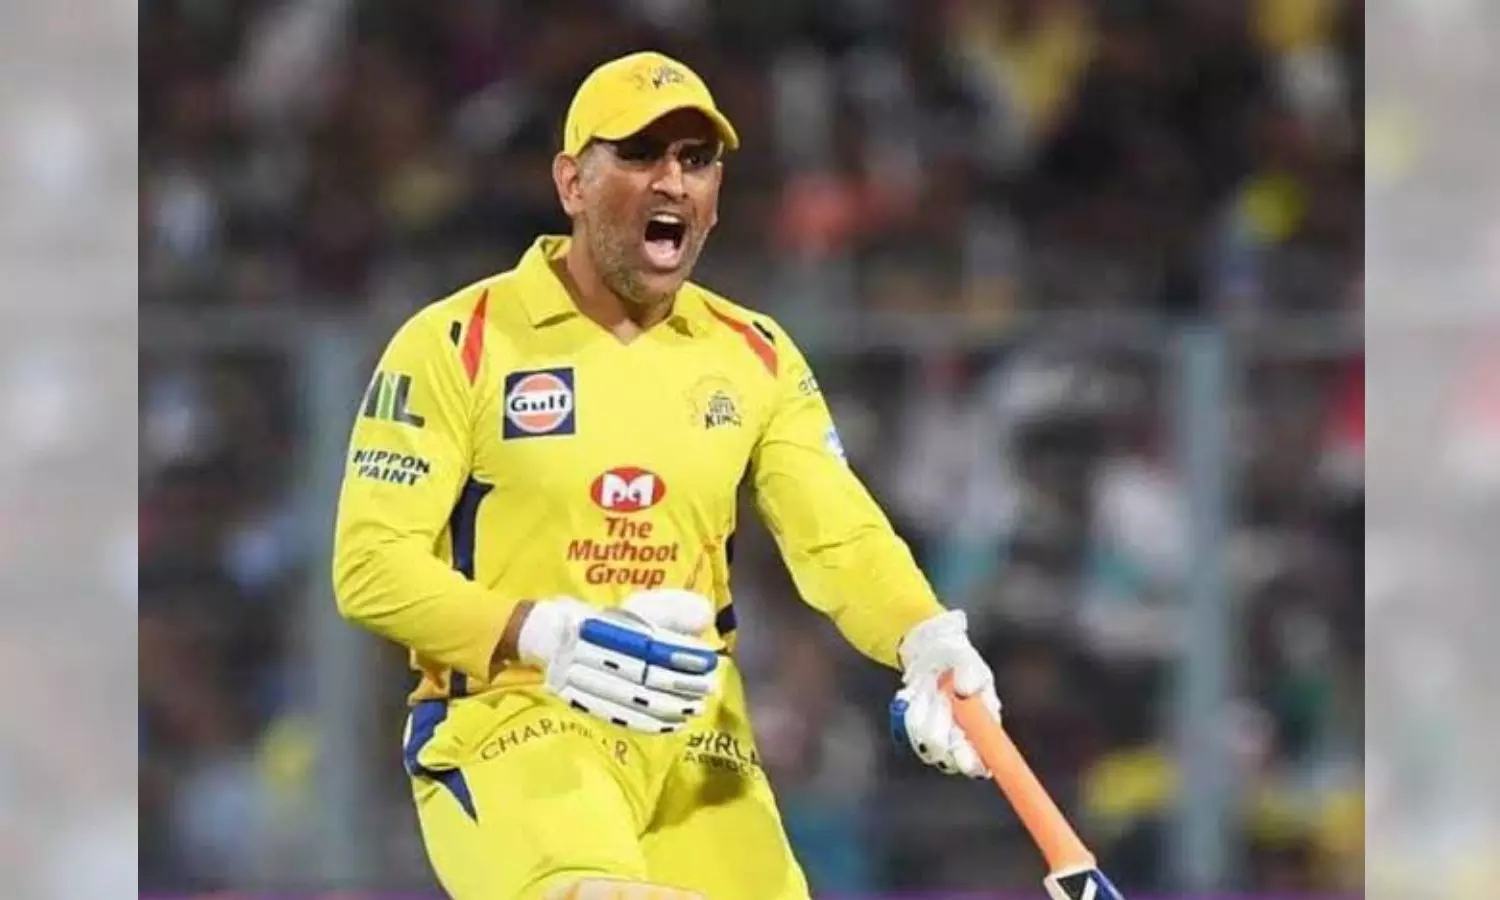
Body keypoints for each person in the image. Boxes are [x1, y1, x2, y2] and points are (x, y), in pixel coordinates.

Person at [331, 50, 1002, 900]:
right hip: (516, 722)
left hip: (700, 744)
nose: (672, 181)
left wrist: (925, 638)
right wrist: (544, 633)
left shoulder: (754, 354)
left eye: (696, 159)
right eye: (640, 154)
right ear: (572, 183)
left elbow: (839, 536)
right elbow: (371, 567)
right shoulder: (456, 342)